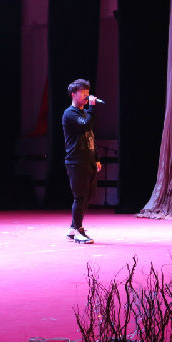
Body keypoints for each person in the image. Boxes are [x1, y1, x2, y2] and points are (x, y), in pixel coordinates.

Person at [63, 79, 102, 244]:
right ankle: (79, 231)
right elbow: (86, 125)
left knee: (88, 195)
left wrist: (96, 158)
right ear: (74, 95)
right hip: (76, 161)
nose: (87, 96)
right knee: (80, 197)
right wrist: (92, 107)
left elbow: (91, 136)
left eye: (88, 93)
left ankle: (73, 228)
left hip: (88, 160)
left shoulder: (85, 113)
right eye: (83, 93)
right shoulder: (70, 113)